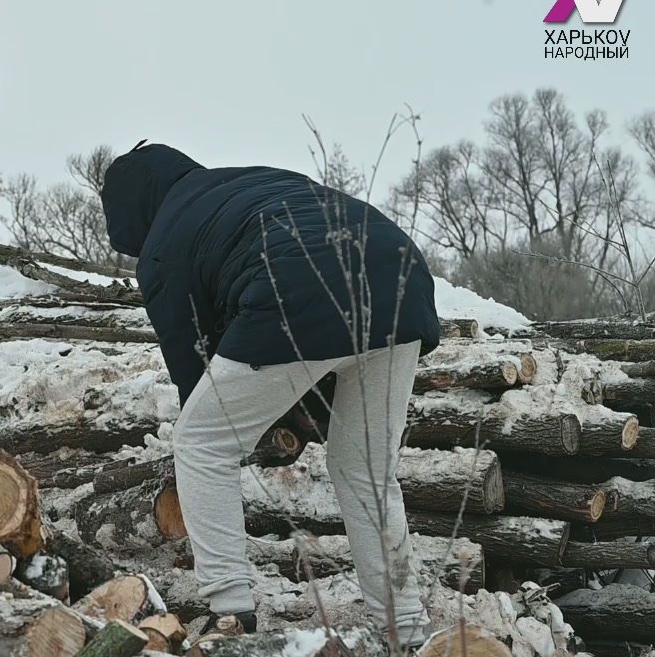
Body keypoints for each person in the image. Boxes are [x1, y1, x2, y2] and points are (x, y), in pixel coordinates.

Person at [99, 142, 441, 648]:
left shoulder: (165, 243)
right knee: (367, 469)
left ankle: (230, 609)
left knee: (201, 442)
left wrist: (231, 423)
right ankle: (405, 626)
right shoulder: (246, 181)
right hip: (402, 277)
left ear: (130, 212)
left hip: (302, 283)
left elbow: (192, 363)